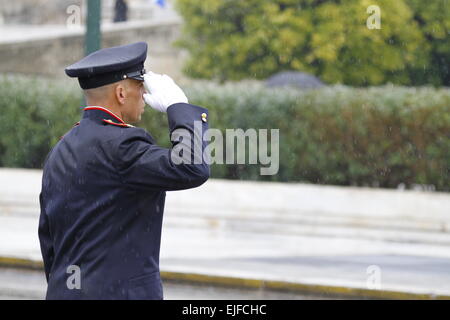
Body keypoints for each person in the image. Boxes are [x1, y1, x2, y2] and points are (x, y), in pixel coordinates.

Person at [38, 42, 210, 299]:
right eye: (140, 87)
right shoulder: (122, 146)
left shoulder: (61, 148)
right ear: (121, 93)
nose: (144, 96)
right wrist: (179, 107)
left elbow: (48, 239)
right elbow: (192, 167)